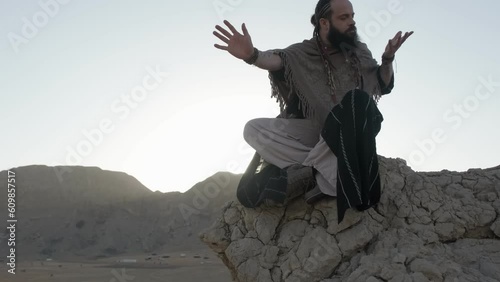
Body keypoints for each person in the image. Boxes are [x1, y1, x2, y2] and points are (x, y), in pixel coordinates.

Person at [213, 0, 413, 222]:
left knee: (356, 101)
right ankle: (318, 173)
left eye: (352, 16)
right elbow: (278, 60)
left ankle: (318, 175)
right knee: (253, 129)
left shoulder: (359, 52)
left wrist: (388, 59)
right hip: (316, 133)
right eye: (344, 17)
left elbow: (381, 85)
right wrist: (251, 55)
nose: (352, 22)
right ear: (324, 23)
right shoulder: (304, 52)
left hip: (348, 133)